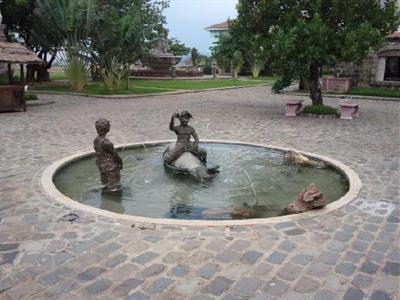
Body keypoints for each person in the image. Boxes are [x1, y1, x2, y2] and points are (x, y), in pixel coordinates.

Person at [93, 118, 123, 192]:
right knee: (114, 184)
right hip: (110, 166)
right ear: (107, 129)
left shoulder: (96, 140)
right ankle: (115, 200)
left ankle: (105, 196)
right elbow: (115, 154)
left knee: (106, 182)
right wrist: (120, 162)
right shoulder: (107, 143)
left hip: (101, 165)